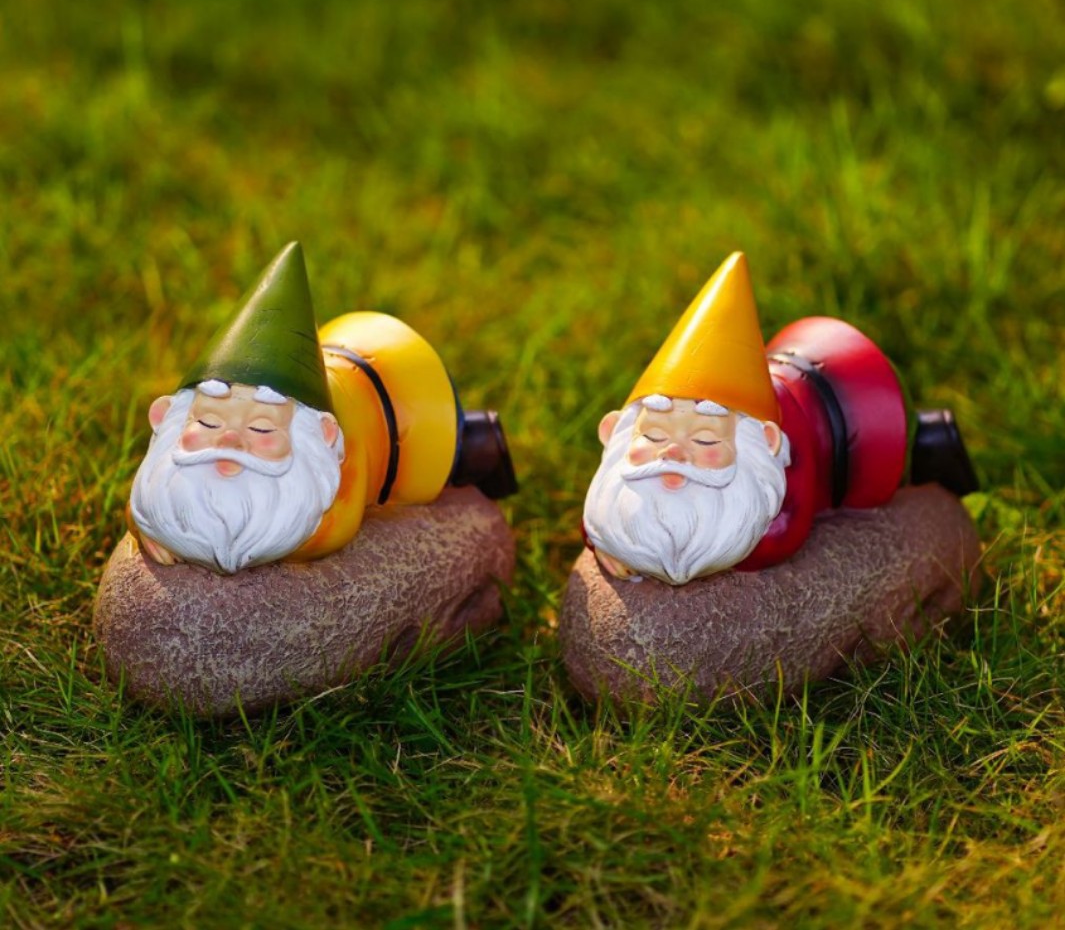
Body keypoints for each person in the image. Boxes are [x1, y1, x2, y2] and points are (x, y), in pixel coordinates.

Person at [583, 252, 976, 585]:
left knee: (915, 448)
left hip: (866, 404)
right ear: (612, 431)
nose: (672, 452)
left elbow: (780, 534)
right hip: (798, 362)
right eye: (652, 436)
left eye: (704, 441)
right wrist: (606, 537)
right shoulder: (630, 471)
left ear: (767, 442)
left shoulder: (779, 458)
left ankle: (933, 445)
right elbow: (602, 505)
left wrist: (677, 557)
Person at [130, 243, 516, 574]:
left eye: (262, 429)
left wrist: (203, 542)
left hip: (413, 394)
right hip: (345, 350)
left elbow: (331, 530)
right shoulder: (172, 468)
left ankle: (479, 446)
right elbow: (144, 500)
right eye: (209, 422)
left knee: (460, 450)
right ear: (163, 417)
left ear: (325, 436)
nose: (230, 440)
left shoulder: (332, 466)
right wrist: (150, 523)